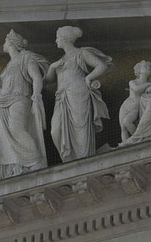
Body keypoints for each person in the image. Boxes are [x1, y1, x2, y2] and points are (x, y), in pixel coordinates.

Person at [0, 30, 50, 177]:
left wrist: (36, 95)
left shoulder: (26, 58)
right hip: (3, 104)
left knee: (17, 130)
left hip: (20, 99)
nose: (3, 44)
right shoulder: (7, 67)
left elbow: (37, 77)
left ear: (12, 43)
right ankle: (17, 167)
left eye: (5, 41)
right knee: (8, 138)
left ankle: (37, 162)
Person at [46, 26, 112, 161]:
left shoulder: (81, 53)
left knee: (80, 127)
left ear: (65, 38)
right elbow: (49, 80)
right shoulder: (61, 59)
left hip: (78, 93)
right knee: (56, 130)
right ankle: (69, 161)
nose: (56, 40)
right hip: (62, 97)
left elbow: (102, 66)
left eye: (58, 37)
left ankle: (83, 159)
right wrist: (52, 67)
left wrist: (88, 77)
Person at [118, 62, 151, 142]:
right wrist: (149, 84)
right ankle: (125, 144)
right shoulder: (133, 82)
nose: (149, 68)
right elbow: (137, 89)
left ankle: (137, 139)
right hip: (126, 106)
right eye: (145, 66)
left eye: (149, 67)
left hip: (136, 109)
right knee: (123, 128)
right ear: (139, 70)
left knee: (127, 122)